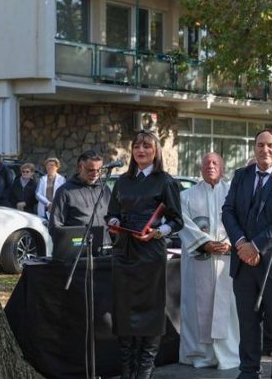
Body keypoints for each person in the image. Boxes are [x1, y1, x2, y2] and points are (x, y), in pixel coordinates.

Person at [222, 129, 272, 379]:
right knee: (248, 323)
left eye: (270, 146)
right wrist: (241, 243)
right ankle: (248, 372)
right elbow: (228, 211)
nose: (264, 150)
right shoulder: (241, 175)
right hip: (244, 263)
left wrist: (256, 246)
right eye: (260, 145)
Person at [106, 131, 183, 379]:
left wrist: (158, 232)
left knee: (150, 313)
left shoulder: (166, 181)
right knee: (125, 311)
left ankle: (145, 371)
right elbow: (111, 213)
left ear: (155, 151)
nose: (141, 150)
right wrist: (115, 220)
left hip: (151, 253)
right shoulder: (122, 181)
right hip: (124, 252)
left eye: (147, 146)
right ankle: (128, 370)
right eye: (137, 146)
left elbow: (176, 221)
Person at [178, 152, 240, 370]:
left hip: (227, 260)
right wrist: (204, 243)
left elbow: (241, 220)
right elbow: (183, 224)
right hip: (199, 261)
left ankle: (229, 353)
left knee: (228, 307)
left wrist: (231, 243)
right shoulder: (186, 196)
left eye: (215, 163)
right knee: (197, 307)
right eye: (206, 163)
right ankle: (200, 355)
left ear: (222, 168)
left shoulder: (234, 193)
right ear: (200, 168)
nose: (210, 166)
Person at [48, 151, 110, 231]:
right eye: (91, 170)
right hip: (78, 242)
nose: (95, 174)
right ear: (80, 167)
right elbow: (55, 226)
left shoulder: (105, 189)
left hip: (105, 242)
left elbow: (112, 216)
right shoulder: (65, 191)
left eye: (99, 170)